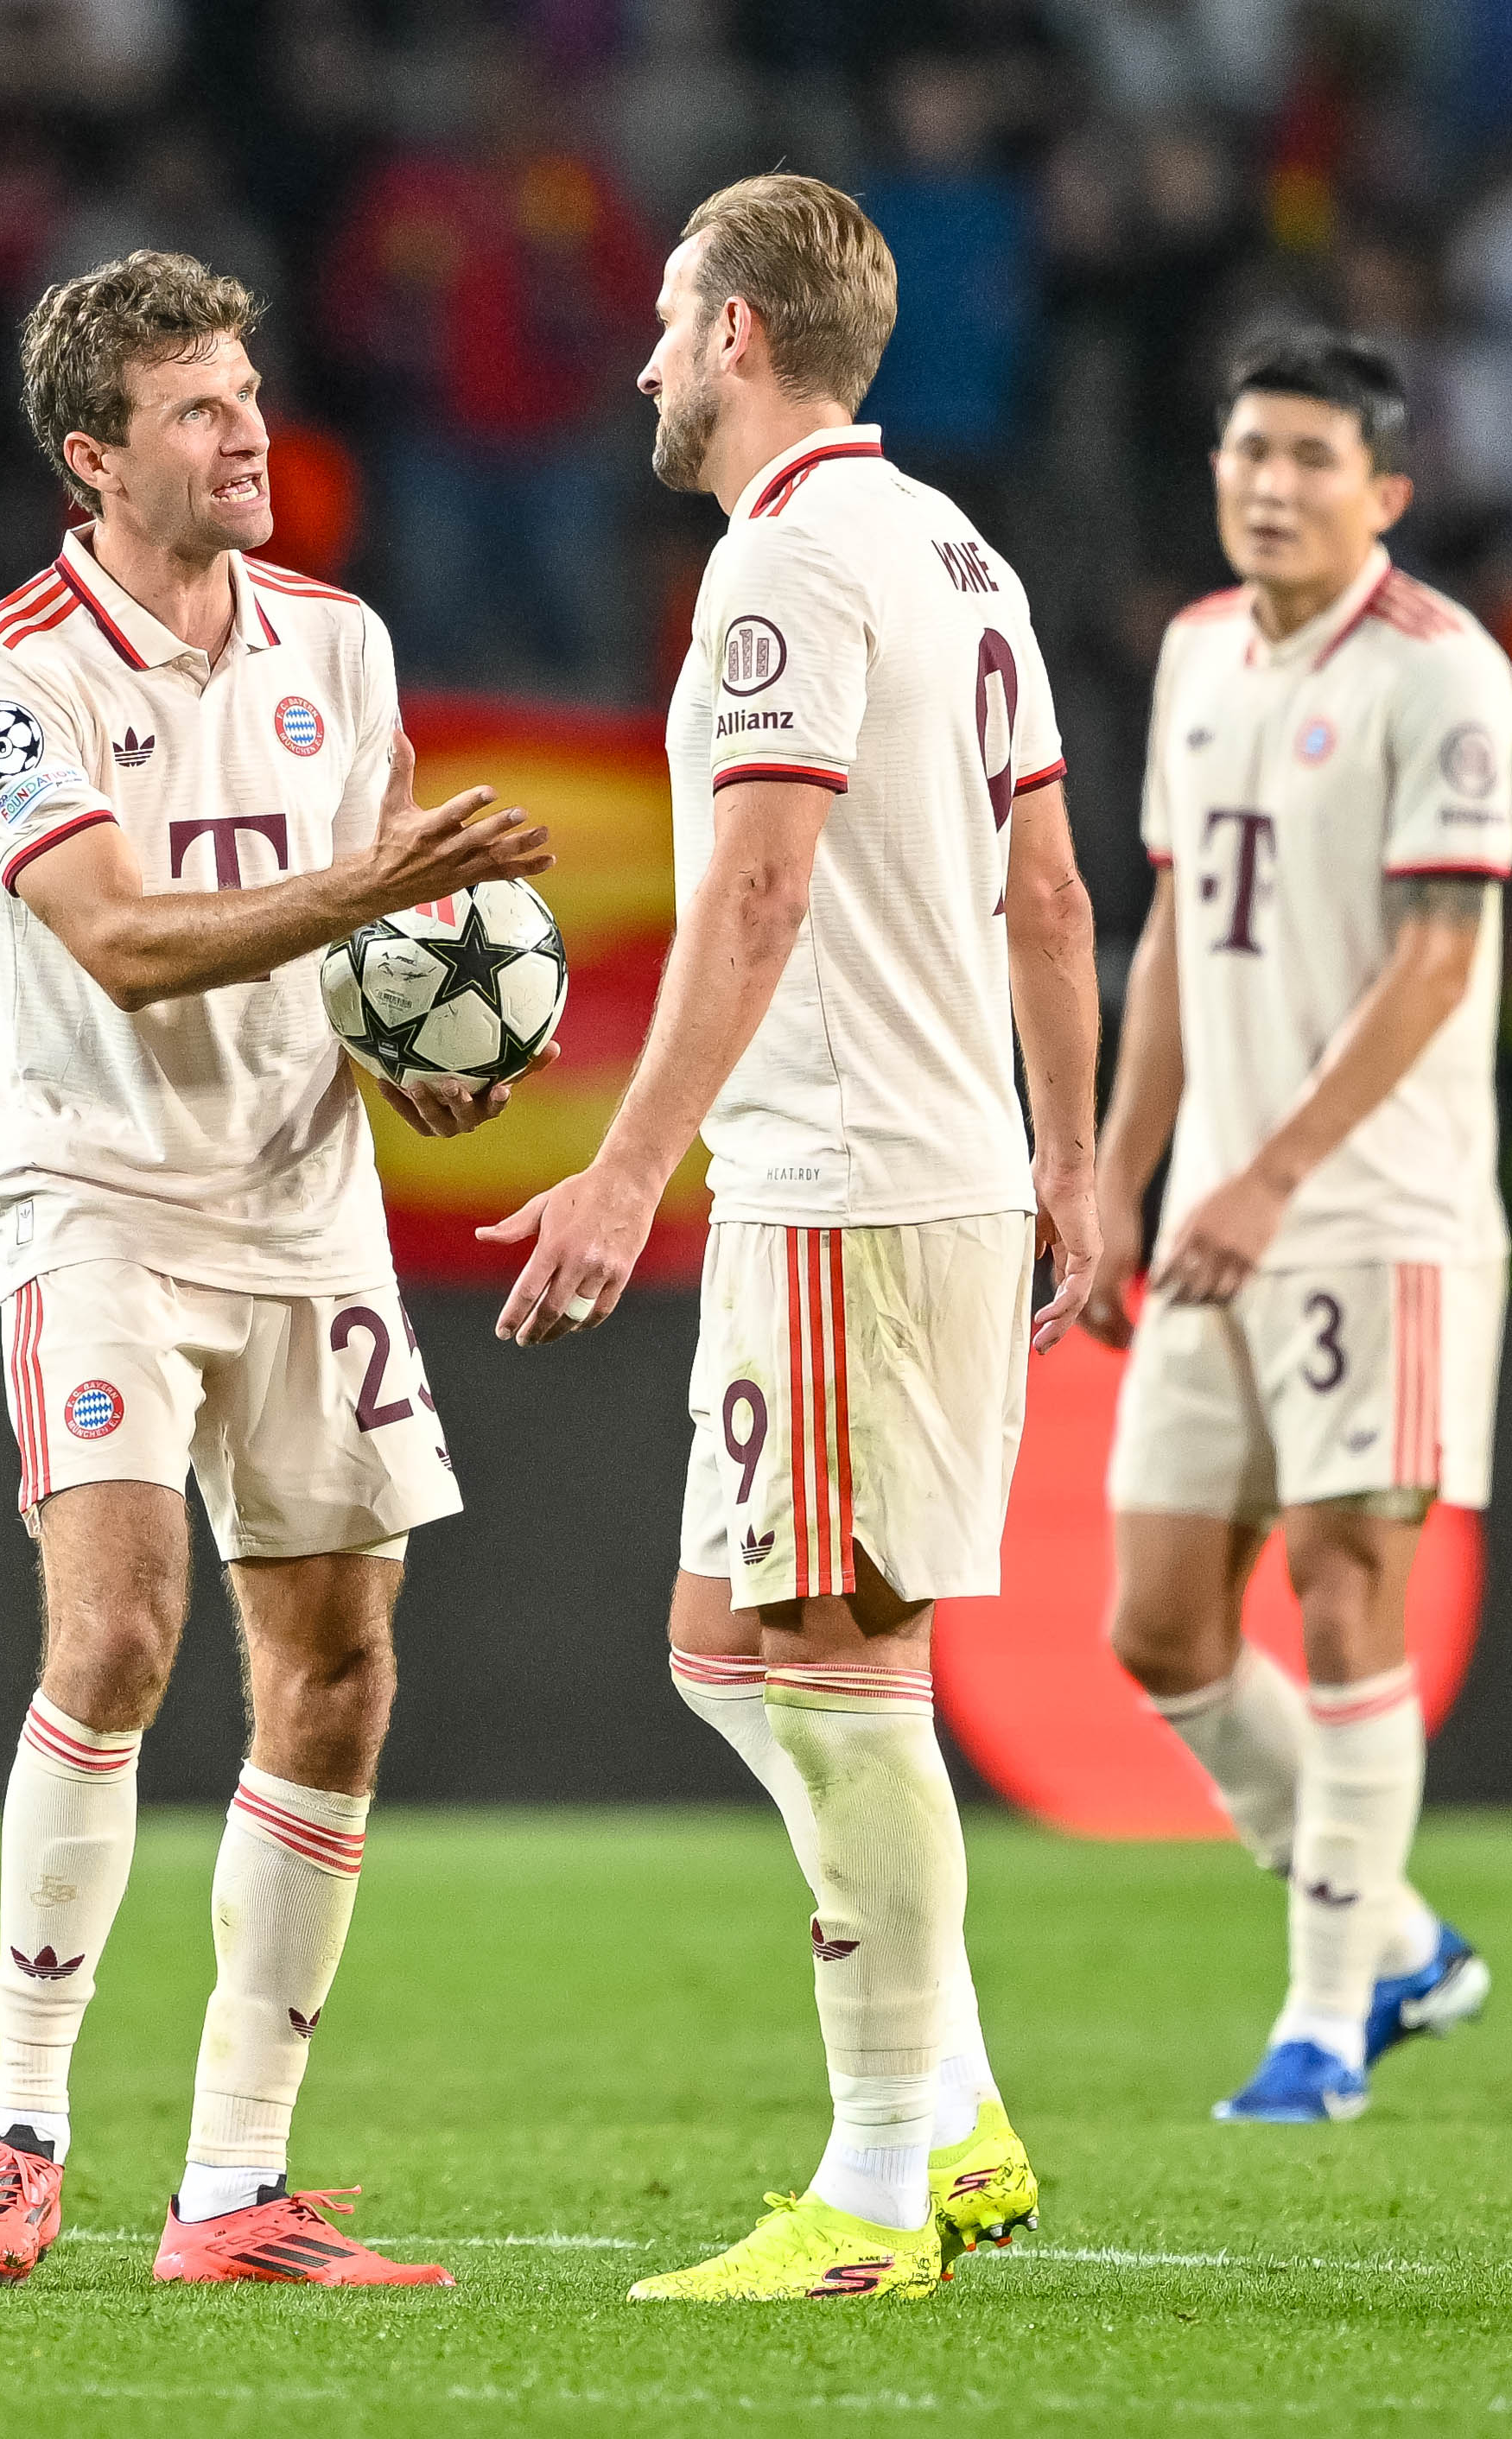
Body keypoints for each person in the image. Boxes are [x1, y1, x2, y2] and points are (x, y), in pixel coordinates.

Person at [486, 174, 1101, 2304]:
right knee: (719, 1645)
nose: (647, 359)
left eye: (667, 320)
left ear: (740, 333)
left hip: (838, 1180)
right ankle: (953, 2107)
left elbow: (753, 895)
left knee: (838, 1668)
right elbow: (1047, 891)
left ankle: (868, 2201)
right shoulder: (955, 544)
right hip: (909, 1165)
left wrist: (621, 1168)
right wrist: (1073, 1153)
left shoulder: (785, 565)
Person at [0, 251, 551, 2290]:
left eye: (251, 391)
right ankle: (21, 2124)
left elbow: (358, 952)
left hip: (303, 1209)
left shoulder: (339, 646)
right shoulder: (5, 673)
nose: (250, 430)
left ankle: (231, 2188)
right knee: (113, 1633)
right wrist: (383, 883)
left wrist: (415, 1049)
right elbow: (119, 936)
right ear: (94, 459)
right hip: (99, 1196)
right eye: (199, 409)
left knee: (342, 1668)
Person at [1080, 332, 1512, 2127]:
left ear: (1385, 492)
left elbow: (1436, 957)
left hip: (1373, 1215)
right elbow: (1179, 928)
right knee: (1156, 1621)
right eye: (1244, 449)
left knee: (1346, 1581)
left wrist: (1267, 1176)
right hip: (1212, 1215)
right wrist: (1121, 1173)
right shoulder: (1194, 652)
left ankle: (1325, 2020)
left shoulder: (1442, 677)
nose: (1267, 483)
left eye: (1309, 458)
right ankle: (1398, 1930)